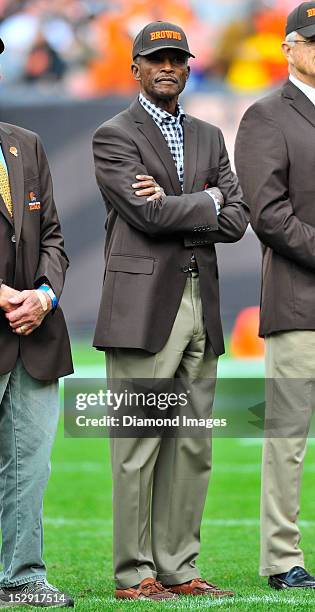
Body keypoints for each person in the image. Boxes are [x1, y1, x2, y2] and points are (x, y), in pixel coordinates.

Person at [93, 20, 248, 601]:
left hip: (199, 302)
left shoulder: (210, 133)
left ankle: (180, 569)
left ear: (188, 66)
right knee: (137, 445)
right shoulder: (114, 135)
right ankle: (135, 575)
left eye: (176, 58)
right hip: (143, 306)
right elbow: (147, 217)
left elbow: (237, 218)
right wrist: (207, 199)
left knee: (192, 444)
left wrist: (192, 202)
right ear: (135, 68)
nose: (167, 66)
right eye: (155, 58)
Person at [235, 0, 315, 592]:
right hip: (300, 304)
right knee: (287, 439)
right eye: (311, 40)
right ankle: (282, 560)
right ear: (288, 47)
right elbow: (268, 214)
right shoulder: (266, 116)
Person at [0, 38, 74, 608]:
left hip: (34, 333)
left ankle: (23, 578)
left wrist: (44, 296)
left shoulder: (26, 143)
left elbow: (52, 236)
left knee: (30, 467)